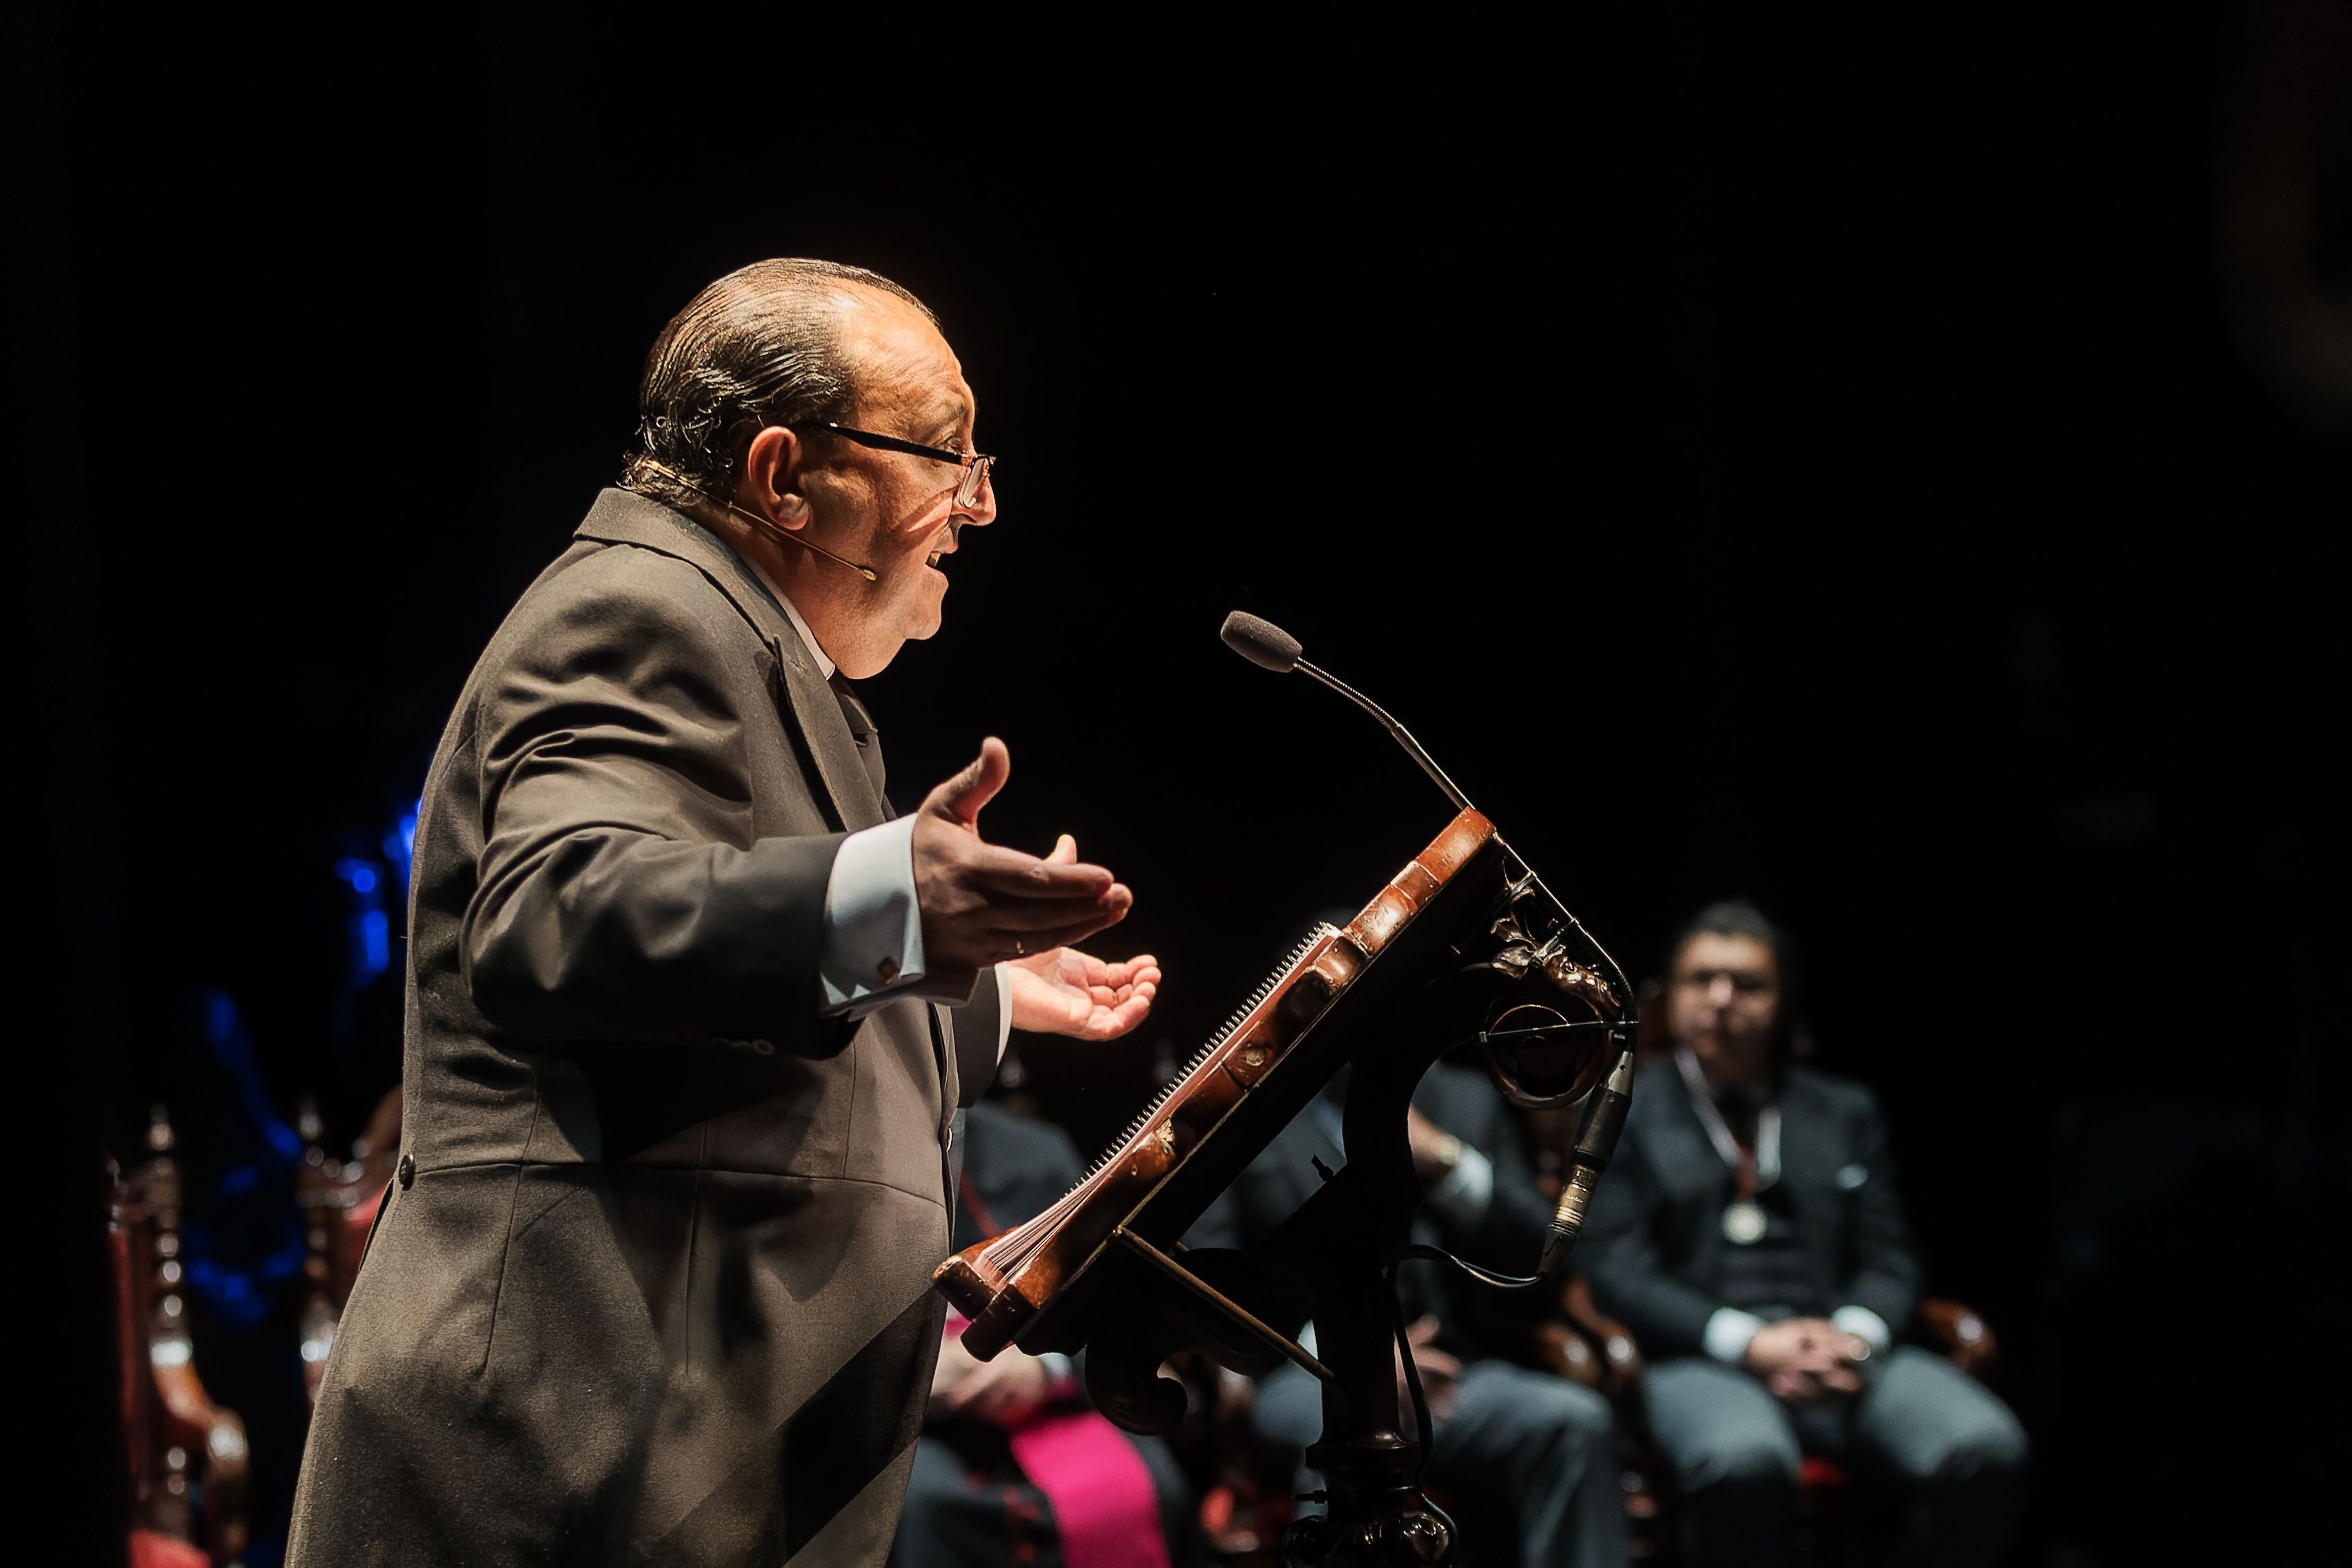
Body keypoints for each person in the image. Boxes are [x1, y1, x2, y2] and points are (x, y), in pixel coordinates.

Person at [288, 259, 1162, 1567]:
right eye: (943, 453)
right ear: (782, 474)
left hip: (675, 1467)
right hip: (565, 1471)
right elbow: (556, 911)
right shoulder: (640, 609)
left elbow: (711, 1012)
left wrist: (970, 987)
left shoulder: (756, 652)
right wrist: (892, 897)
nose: (978, 504)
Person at [1580, 901, 2025, 1568]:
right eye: (1702, 980)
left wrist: (1857, 1336)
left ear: (1783, 999)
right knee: (1743, 1460)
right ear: (1672, 998)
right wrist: (1753, 1342)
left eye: (1747, 983)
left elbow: (1891, 1255)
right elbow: (1618, 1271)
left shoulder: (1842, 1110)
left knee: (1985, 1446)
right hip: (1702, 1353)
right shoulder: (1628, 1110)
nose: (1722, 999)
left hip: (1840, 1345)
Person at [1187, 1061, 1629, 1568]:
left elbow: (1540, 1255)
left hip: (1454, 1370)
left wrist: (1448, 1162)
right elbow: (1212, 1276)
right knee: (1348, 1437)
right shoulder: (1245, 1108)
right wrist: (1352, 1356)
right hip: (1302, 1369)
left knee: (1573, 1424)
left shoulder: (1465, 1097)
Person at [894, 1093, 1195, 1568]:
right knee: (925, 1510)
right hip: (909, 1423)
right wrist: (913, 1379)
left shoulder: (1036, 1150)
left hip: (1049, 1392)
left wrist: (1046, 1367)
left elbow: (1106, 1298)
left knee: (1157, 1488)